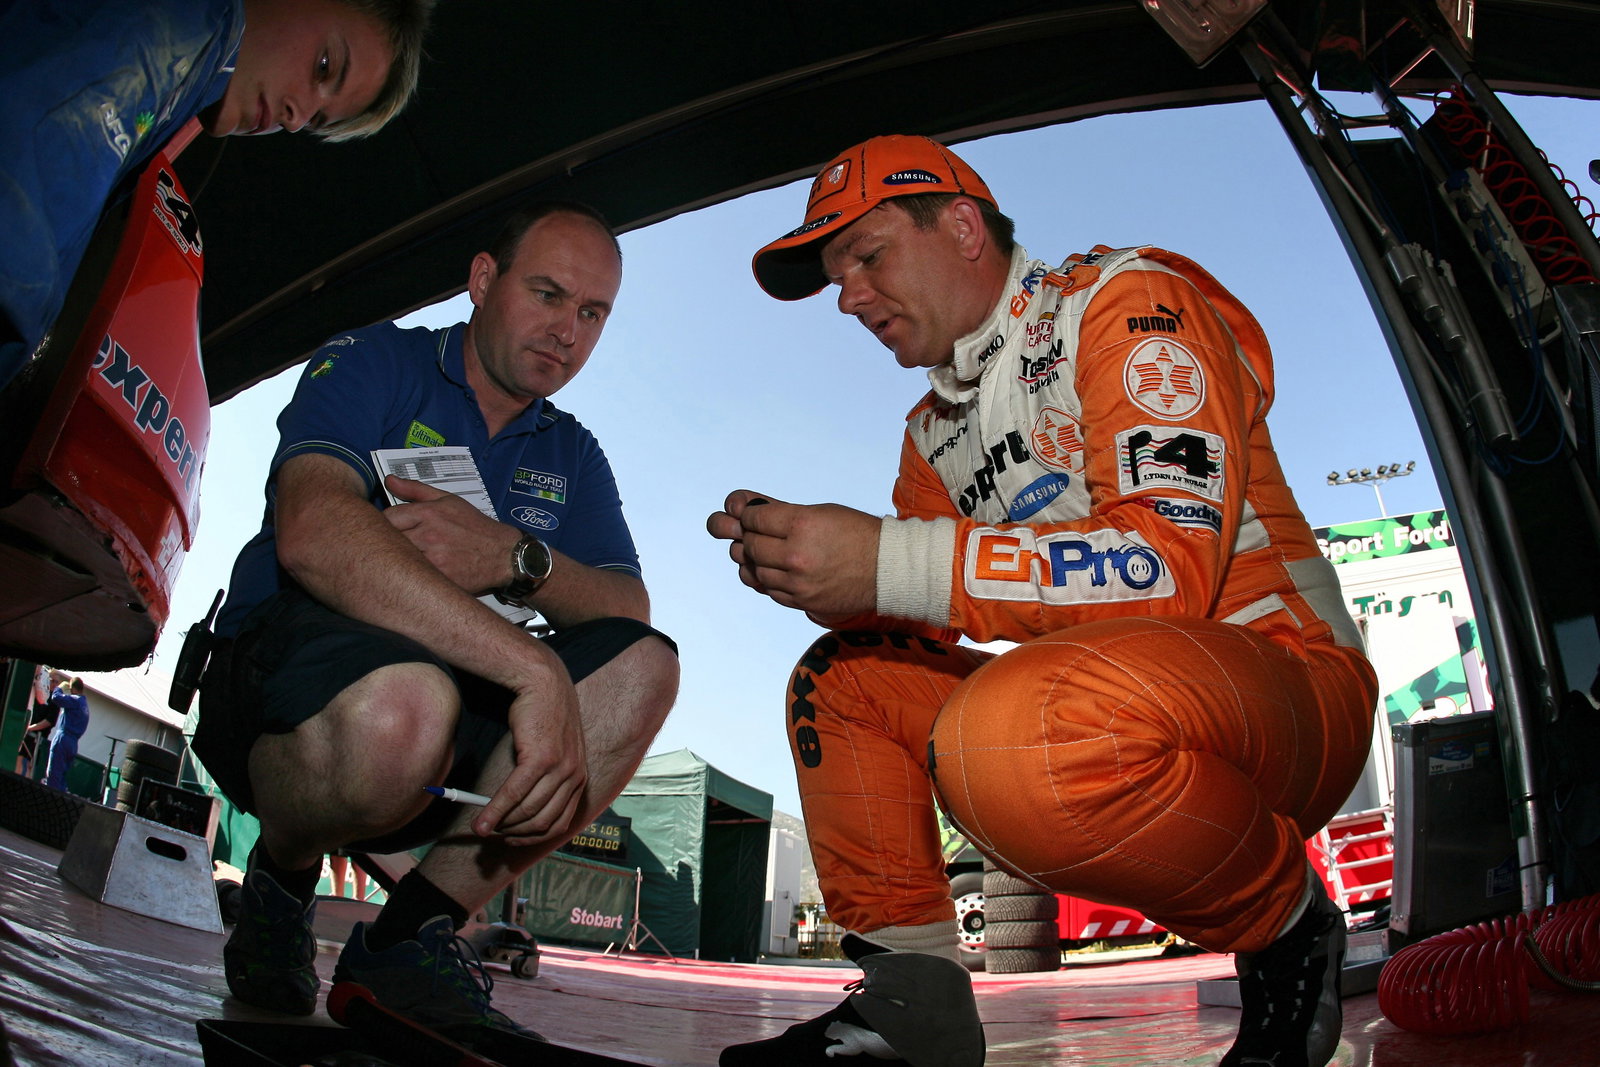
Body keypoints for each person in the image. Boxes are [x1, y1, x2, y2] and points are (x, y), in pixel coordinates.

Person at [707, 135, 1377, 1067]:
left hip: (1289, 690)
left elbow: (1167, 567)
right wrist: (820, 573)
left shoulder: (1125, 301)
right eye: (835, 278)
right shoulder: (930, 435)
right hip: (1111, 702)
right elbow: (928, 596)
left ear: (964, 227)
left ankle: (1288, 925)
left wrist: (886, 562)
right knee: (844, 680)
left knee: (1012, 737)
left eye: (867, 257)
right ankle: (912, 1008)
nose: (849, 298)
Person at [193, 199, 679, 1044]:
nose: (567, 332)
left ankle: (409, 936)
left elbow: (628, 610)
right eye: (548, 294)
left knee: (646, 668)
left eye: (593, 313)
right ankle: (283, 870)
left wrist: (515, 556)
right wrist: (532, 668)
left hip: (452, 723)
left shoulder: (573, 451)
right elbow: (311, 530)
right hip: (287, 684)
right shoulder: (376, 358)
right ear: (483, 280)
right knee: (405, 708)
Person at [0, 0, 435, 393]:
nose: (295, 117)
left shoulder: (179, 88)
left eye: (315, 120)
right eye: (324, 66)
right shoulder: (189, 27)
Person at [42, 674, 91, 793]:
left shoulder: (75, 700)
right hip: (73, 743)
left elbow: (56, 698)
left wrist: (59, 688)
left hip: (63, 739)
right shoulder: (85, 705)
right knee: (62, 778)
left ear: (72, 688)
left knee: (53, 774)